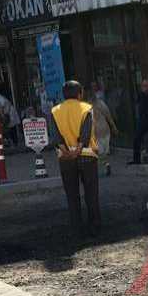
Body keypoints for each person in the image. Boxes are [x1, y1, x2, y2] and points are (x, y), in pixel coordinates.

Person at [52, 80, 101, 237]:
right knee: (91, 193)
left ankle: (76, 227)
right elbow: (86, 134)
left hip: (65, 159)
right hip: (87, 156)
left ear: (64, 95)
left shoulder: (55, 111)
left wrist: (66, 151)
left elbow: (56, 136)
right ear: (79, 93)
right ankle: (94, 226)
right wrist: (78, 150)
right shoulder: (86, 108)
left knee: (72, 194)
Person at [90, 81, 120, 176]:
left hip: (96, 132)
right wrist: (114, 127)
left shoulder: (86, 107)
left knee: (99, 152)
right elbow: (108, 116)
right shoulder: (101, 104)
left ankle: (104, 165)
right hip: (105, 130)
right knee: (103, 152)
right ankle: (106, 164)